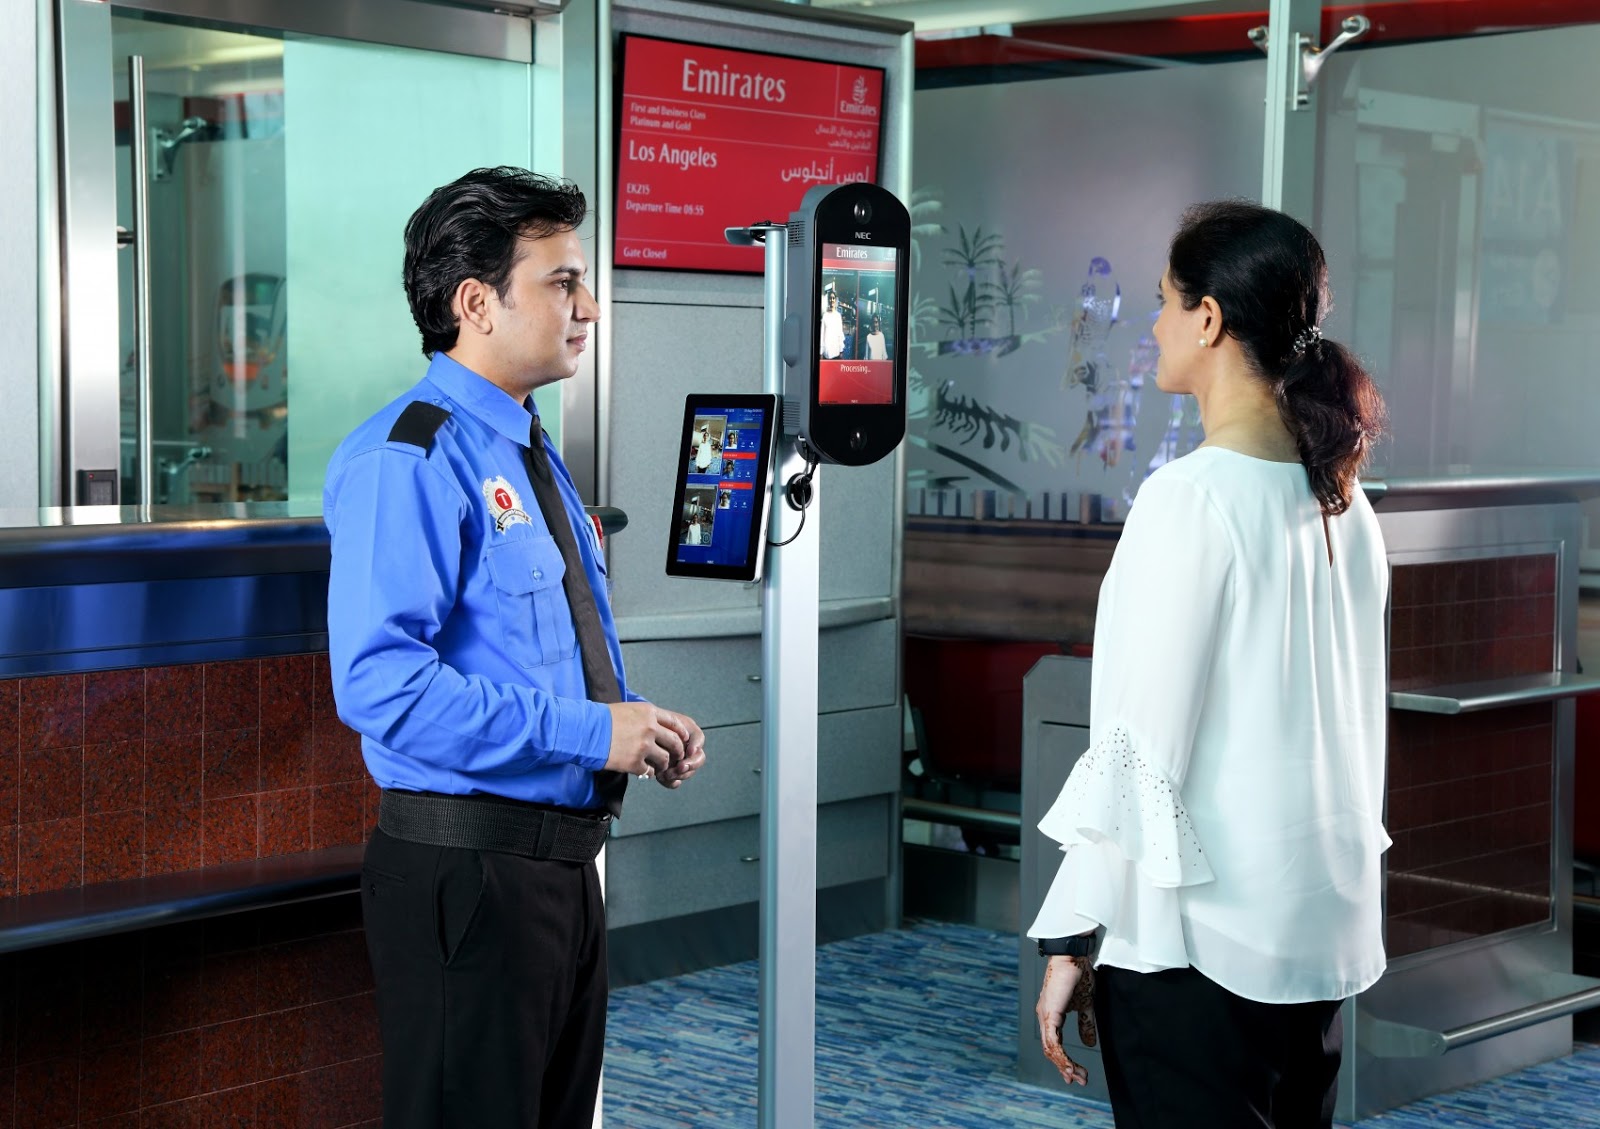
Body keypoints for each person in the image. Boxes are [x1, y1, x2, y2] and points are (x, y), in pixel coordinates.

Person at [324, 166, 707, 1129]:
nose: (589, 308)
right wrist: (589, 732)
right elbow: (384, 689)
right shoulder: (406, 457)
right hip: (469, 877)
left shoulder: (524, 450)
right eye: (561, 282)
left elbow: (528, 649)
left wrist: (636, 727)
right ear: (475, 302)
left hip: (560, 872)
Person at [1030, 200, 1389, 1129]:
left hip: (1199, 950)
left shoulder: (1189, 499)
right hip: (1316, 932)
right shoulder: (1347, 504)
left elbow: (1140, 748)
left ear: (1210, 319)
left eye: (1161, 302)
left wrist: (1074, 932)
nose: (1150, 328)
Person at [820, 291, 846, 359]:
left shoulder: (838, 316)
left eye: (833, 298)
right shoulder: (825, 316)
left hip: (836, 352)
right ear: (828, 300)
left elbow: (840, 334)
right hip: (827, 353)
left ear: (835, 300)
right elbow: (822, 334)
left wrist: (841, 350)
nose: (832, 300)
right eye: (830, 298)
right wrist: (821, 352)